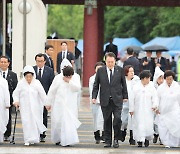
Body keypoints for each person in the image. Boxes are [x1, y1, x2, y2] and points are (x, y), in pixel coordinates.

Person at [92, 52, 128, 148]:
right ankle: (108, 140)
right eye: (108, 62)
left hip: (117, 99)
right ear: (105, 61)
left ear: (115, 61)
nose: (110, 64)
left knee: (117, 119)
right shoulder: (101, 71)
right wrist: (94, 97)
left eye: (112, 62)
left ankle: (116, 139)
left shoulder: (120, 70)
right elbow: (96, 85)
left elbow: (124, 84)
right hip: (105, 99)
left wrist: (125, 96)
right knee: (107, 120)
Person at [45, 64, 81, 146]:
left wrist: (69, 81)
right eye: (67, 76)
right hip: (59, 104)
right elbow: (52, 91)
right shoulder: (57, 78)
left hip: (70, 105)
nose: (69, 77)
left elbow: (77, 88)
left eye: (70, 76)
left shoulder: (76, 77)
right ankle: (58, 139)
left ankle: (68, 140)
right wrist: (48, 102)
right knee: (58, 122)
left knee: (68, 123)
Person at [13, 65, 47, 146]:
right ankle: (27, 139)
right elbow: (15, 93)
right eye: (27, 77)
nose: (28, 79)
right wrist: (16, 101)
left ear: (33, 76)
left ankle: (34, 138)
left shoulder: (37, 83)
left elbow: (43, 95)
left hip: (36, 107)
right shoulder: (21, 83)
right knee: (26, 122)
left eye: (30, 77)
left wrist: (47, 104)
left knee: (35, 122)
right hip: (25, 107)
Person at [129, 70, 158, 147]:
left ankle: (146, 139)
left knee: (148, 124)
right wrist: (131, 109)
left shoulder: (151, 87)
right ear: (143, 78)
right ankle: (139, 140)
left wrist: (155, 105)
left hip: (148, 110)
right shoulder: (136, 87)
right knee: (139, 124)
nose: (149, 80)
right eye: (148, 78)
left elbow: (155, 97)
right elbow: (132, 99)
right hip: (138, 110)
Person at [33, 53, 55, 142]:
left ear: (45, 61)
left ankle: (43, 133)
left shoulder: (49, 70)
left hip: (45, 96)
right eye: (38, 61)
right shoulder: (32, 70)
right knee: (34, 114)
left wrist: (50, 98)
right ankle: (35, 132)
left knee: (44, 115)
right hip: (34, 97)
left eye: (41, 61)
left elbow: (51, 85)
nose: (40, 63)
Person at [156, 70, 180, 148]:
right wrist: (157, 107)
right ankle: (166, 142)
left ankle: (175, 143)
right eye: (167, 79)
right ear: (165, 79)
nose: (169, 81)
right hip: (164, 111)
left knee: (175, 126)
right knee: (164, 128)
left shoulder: (177, 86)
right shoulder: (161, 88)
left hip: (174, 110)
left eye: (170, 79)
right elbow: (157, 98)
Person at [0, 56, 18, 141]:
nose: (3, 64)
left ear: (8, 63)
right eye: (1, 62)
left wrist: (14, 99)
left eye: (5, 62)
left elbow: (15, 87)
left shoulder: (13, 74)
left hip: (9, 100)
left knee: (8, 116)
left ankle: (7, 133)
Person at [121, 65, 139, 145]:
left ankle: (132, 138)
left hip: (134, 104)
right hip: (125, 103)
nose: (132, 73)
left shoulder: (136, 80)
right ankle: (123, 132)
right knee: (123, 120)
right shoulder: (123, 81)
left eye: (133, 71)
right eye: (130, 71)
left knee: (133, 121)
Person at [89, 62, 105, 144]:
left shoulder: (106, 77)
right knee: (96, 119)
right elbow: (92, 90)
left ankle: (104, 135)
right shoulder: (92, 78)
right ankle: (97, 135)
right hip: (95, 102)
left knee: (104, 119)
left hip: (104, 101)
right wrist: (94, 99)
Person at [152, 66, 164, 144]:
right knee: (155, 123)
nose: (161, 80)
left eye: (163, 78)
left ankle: (161, 137)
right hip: (155, 108)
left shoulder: (164, 87)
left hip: (163, 108)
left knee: (162, 123)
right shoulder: (153, 88)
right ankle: (156, 134)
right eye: (160, 78)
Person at [0, 73, 10, 143]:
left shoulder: (3, 81)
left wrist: (7, 103)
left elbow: (6, 93)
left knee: (1, 121)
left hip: (1, 105)